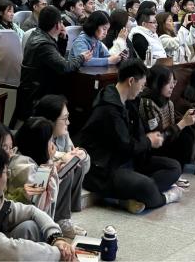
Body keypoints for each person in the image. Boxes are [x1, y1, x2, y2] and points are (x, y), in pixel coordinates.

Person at [77, 58, 184, 214]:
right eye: (141, 85)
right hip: (106, 168)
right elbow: (125, 146)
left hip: (128, 160)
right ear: (131, 81)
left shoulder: (130, 101)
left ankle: (133, 194)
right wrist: (148, 141)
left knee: (174, 167)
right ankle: (163, 197)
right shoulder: (108, 108)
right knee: (146, 186)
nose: (142, 89)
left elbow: (138, 135)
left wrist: (150, 139)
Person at [32, 95, 90, 236]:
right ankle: (59, 219)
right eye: (64, 119)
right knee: (66, 168)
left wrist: (82, 155)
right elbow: (38, 179)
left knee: (76, 165)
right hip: (36, 189)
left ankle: (64, 217)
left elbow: (85, 167)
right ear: (50, 121)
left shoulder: (63, 135)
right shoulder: (36, 135)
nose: (68, 122)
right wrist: (61, 159)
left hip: (49, 183)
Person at [14, 6, 82, 124]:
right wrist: (82, 58)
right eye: (61, 22)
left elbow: (56, 60)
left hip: (37, 90)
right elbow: (64, 67)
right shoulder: (43, 44)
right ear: (57, 25)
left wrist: (62, 40)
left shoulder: (37, 34)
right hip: (38, 96)